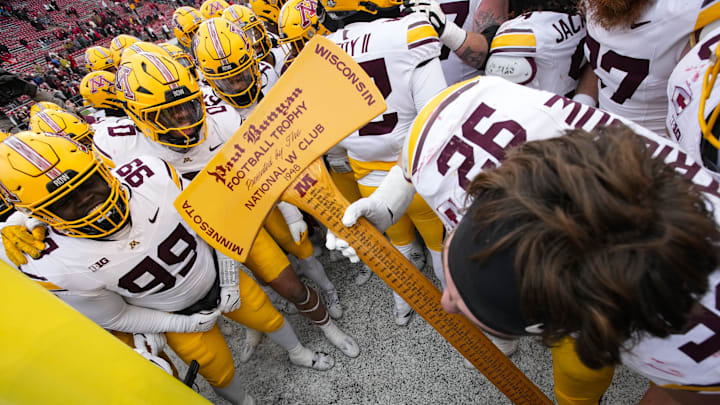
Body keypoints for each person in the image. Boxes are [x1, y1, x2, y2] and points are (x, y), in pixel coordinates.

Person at [336, 74, 720, 403]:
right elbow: (416, 154)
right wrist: (386, 205)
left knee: (581, 378)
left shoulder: (700, 349)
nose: (444, 302)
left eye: (461, 297)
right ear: (487, 190)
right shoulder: (462, 123)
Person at [0, 132, 338, 405]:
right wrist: (182, 322)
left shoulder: (151, 175)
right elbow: (115, 317)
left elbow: (209, 225)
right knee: (217, 373)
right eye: (65, 202)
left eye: (89, 184)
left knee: (271, 318)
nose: (91, 201)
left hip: (216, 277)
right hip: (172, 314)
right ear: (39, 215)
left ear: (101, 168)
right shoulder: (46, 258)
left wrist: (230, 277)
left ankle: (298, 352)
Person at [191, 18, 357, 360]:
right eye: (226, 79)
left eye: (240, 74)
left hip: (288, 166)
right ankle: (319, 298)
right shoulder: (210, 111)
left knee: (310, 243)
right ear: (208, 80)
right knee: (288, 263)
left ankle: (328, 288)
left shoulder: (270, 73)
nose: (237, 83)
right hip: (247, 195)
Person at [319, 0, 451, 330]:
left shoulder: (318, 52)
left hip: (366, 174)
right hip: (414, 169)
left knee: (399, 246)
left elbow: (329, 132)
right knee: (440, 246)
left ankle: (403, 305)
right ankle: (455, 312)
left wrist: (340, 159)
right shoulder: (410, 30)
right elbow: (439, 119)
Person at [573, 0, 720, 134]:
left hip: (655, 148)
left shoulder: (689, 17)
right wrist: (582, 104)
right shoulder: (603, 6)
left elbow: (683, 121)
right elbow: (602, 54)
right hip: (600, 127)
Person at [484, 1, 585, 97]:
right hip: (569, 103)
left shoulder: (521, 30)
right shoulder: (585, 19)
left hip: (538, 110)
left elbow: (501, 97)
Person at [0, 69, 66, 131]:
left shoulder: (11, 81)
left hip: (16, 87)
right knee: (7, 131)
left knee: (53, 102)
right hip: (9, 92)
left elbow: (36, 92)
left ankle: (68, 115)